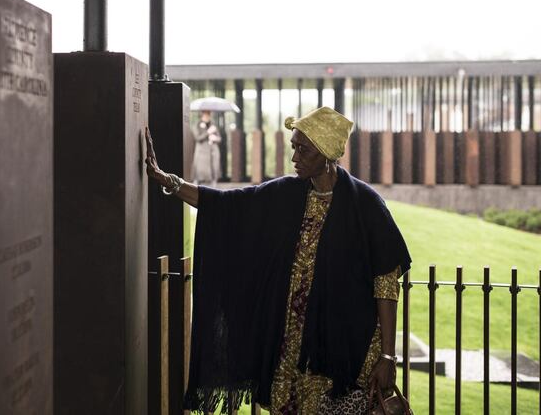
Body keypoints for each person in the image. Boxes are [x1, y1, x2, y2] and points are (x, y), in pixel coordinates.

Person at [145, 106, 411, 414]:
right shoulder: (287, 194)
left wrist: (388, 357)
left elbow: (387, 282)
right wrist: (168, 181)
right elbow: (227, 206)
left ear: (326, 154)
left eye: (304, 150)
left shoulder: (365, 206)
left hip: (346, 353)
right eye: (293, 147)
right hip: (291, 351)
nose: (295, 157)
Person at [192, 110, 222, 187]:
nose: (207, 115)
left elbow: (219, 138)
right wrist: (208, 132)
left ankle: (213, 186)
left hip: (213, 151)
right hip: (202, 152)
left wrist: (215, 138)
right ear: (202, 114)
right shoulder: (197, 125)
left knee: (214, 169)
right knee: (201, 172)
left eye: (209, 114)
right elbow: (197, 138)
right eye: (206, 114)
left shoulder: (213, 124)